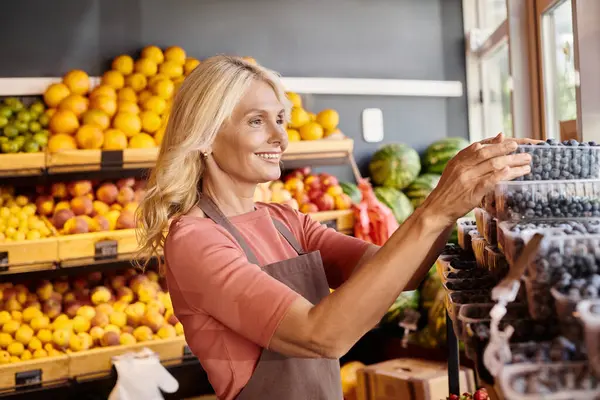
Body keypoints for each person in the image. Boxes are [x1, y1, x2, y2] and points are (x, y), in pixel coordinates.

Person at [136, 55, 533, 400]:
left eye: (280, 119)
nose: (279, 137)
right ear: (204, 137)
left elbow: (403, 274)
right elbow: (321, 336)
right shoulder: (194, 240)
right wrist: (435, 206)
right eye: (257, 121)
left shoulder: (285, 220)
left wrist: (452, 206)